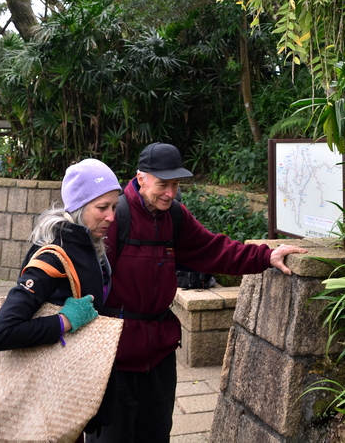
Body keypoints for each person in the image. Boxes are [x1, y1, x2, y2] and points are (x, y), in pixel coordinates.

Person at [93, 142, 308, 443]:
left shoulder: (175, 218)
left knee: (155, 435)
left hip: (159, 355)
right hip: (116, 356)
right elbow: (88, 278)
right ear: (141, 178)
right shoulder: (116, 216)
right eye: (163, 184)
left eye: (176, 184)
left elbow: (214, 249)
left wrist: (264, 256)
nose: (170, 193)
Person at [0, 158, 122, 437]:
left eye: (114, 207)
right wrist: (65, 321)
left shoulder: (87, 243)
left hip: (71, 387)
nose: (111, 216)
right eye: (102, 208)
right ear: (78, 207)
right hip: (49, 397)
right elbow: (1, 333)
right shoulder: (53, 255)